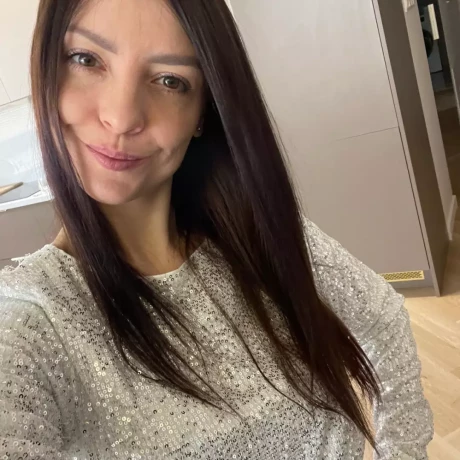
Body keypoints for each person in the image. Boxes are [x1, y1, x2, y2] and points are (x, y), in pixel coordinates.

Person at [0, 0, 433, 458]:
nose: (122, 118)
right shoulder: (28, 326)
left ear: (202, 113)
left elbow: (384, 318)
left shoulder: (256, 236)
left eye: (170, 80)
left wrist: (403, 452)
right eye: (86, 59)